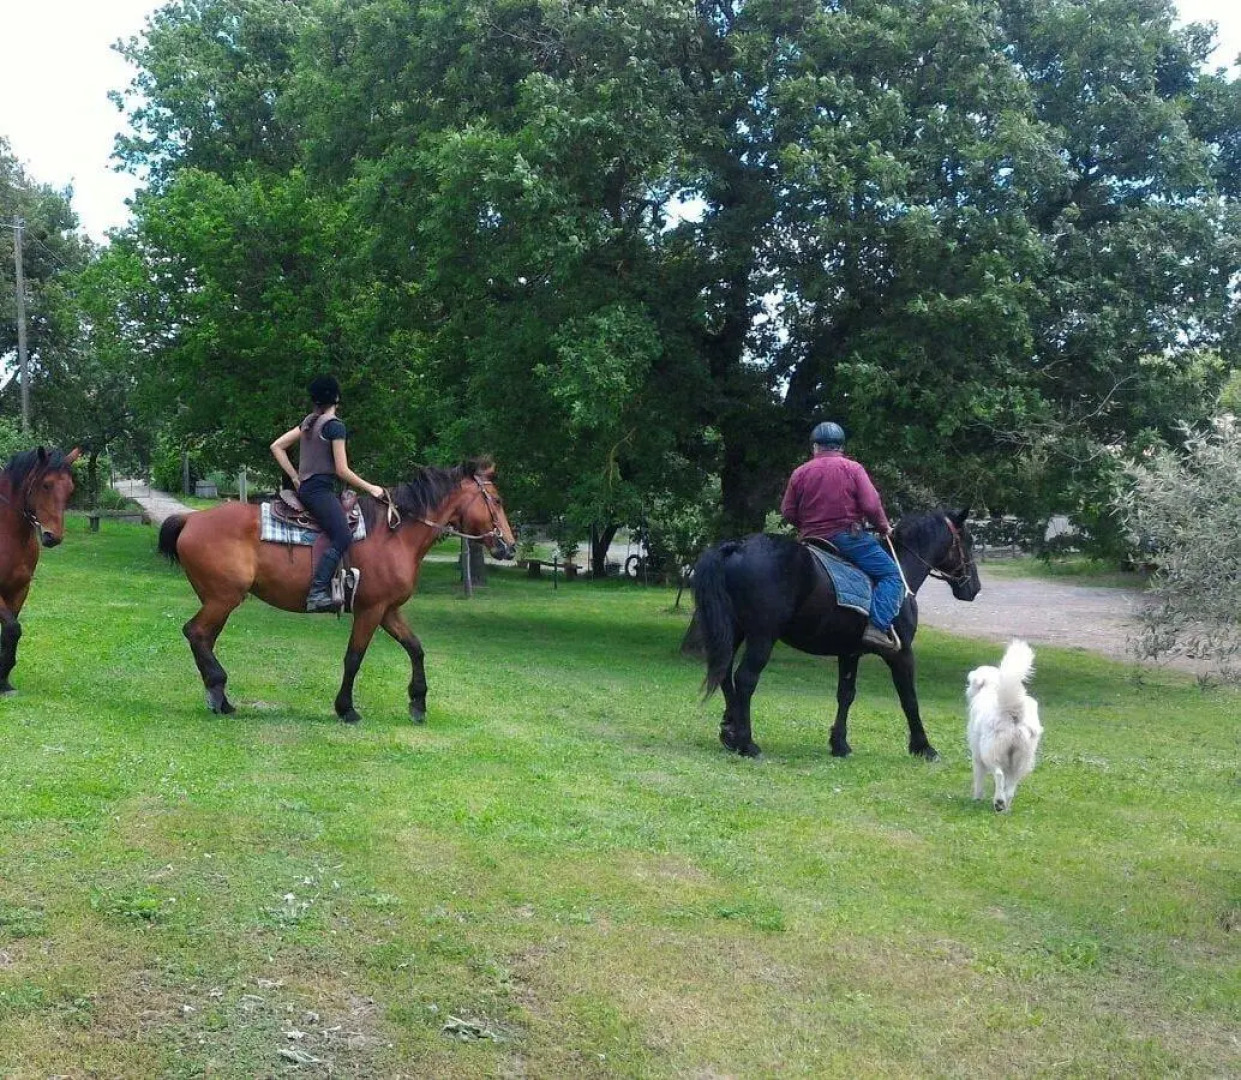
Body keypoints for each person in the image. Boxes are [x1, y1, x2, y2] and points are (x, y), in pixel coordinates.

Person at [780, 421, 904, 654]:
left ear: (815, 447)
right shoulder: (853, 469)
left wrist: (806, 526)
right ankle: (877, 627)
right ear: (841, 447)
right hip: (848, 538)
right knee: (892, 575)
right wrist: (884, 526)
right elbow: (870, 503)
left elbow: (787, 511)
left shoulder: (800, 472)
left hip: (811, 541)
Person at [270, 375, 385, 612]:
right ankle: (317, 592)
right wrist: (371, 487)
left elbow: (276, 446)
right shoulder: (335, 426)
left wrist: (294, 477)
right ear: (337, 398)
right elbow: (342, 470)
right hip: (320, 491)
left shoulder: (308, 423)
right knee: (343, 535)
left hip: (307, 489)